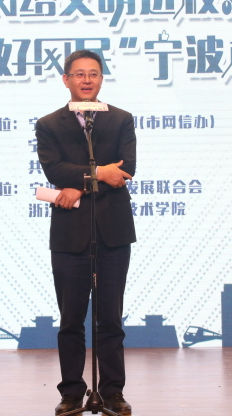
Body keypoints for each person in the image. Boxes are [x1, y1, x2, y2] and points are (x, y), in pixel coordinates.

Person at [35, 50, 136, 416]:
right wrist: (98, 174)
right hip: (69, 234)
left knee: (110, 319)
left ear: (101, 79)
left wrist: (79, 184)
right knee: (71, 320)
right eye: (79, 74)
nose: (87, 80)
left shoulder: (121, 119)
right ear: (66, 80)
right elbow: (54, 170)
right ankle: (71, 393)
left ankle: (112, 392)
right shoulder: (49, 124)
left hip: (113, 232)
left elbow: (126, 169)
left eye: (93, 73)